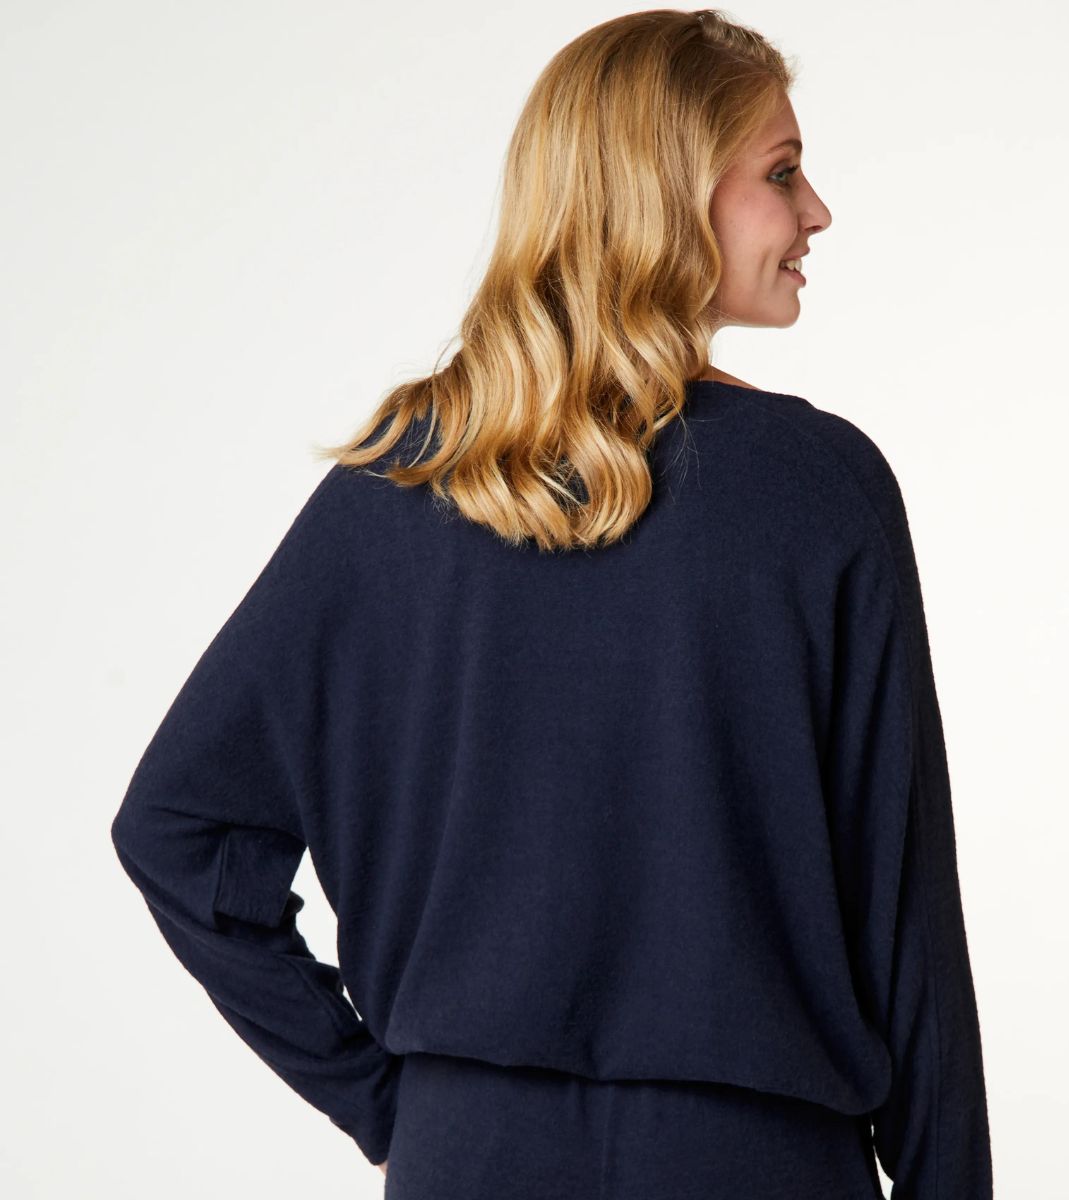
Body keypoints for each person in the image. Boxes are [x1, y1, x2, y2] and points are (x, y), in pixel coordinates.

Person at [110, 8, 992, 1199]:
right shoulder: (818, 487)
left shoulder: (401, 480)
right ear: (668, 194)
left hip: (469, 1155)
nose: (816, 211)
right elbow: (906, 920)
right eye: (782, 174)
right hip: (752, 1162)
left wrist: (389, 1099)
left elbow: (181, 830)